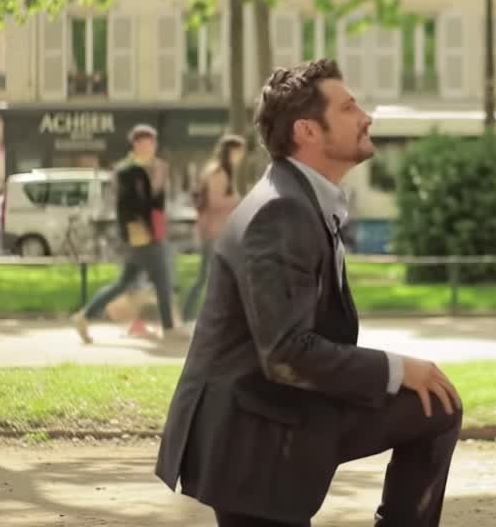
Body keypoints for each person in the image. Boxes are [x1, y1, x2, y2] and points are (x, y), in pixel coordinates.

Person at [156, 59, 463, 527]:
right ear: (308, 131)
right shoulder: (280, 211)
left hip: (284, 405)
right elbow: (285, 352)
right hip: (250, 437)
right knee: (426, 395)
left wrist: (399, 374)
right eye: (349, 108)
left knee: (435, 404)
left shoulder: (300, 198)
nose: (366, 117)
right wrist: (397, 369)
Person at [70, 123, 178, 343]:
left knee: (125, 282)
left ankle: (84, 315)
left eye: (153, 143)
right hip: (139, 232)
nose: (151, 147)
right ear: (136, 144)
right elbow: (129, 205)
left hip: (151, 231)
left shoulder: (155, 168)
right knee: (162, 280)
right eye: (146, 143)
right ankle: (169, 329)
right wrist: (154, 190)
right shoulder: (127, 171)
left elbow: (158, 202)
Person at [182, 133, 246, 323]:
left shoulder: (223, 171)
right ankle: (189, 314)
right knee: (207, 276)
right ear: (230, 152)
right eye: (239, 152)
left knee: (221, 275)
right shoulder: (219, 172)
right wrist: (239, 201)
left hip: (220, 231)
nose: (241, 156)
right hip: (214, 231)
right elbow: (214, 201)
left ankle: (218, 316)